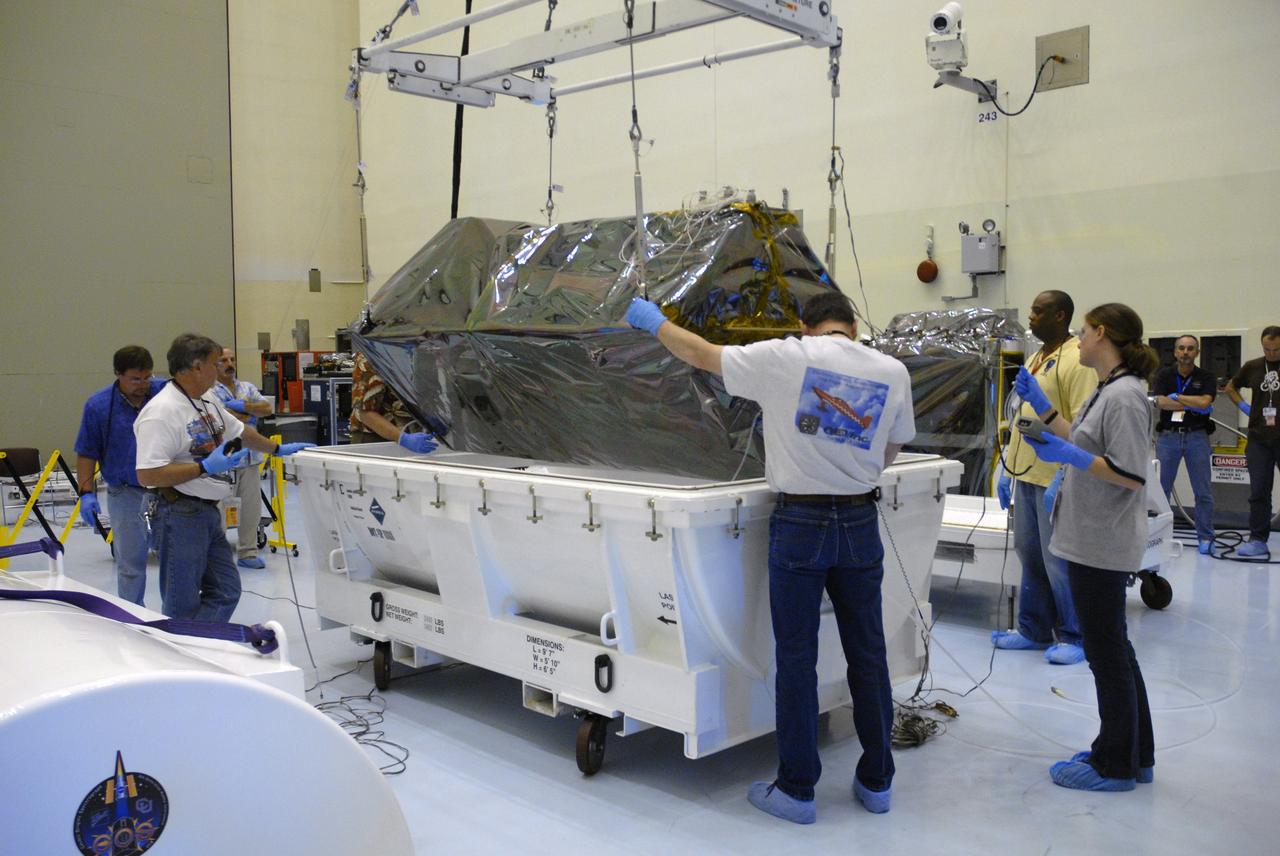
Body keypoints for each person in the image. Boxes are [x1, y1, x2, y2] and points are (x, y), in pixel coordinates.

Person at [627, 291, 916, 824]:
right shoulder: (892, 371)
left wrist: (654, 322)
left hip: (801, 524)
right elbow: (890, 450)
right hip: (859, 521)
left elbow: (701, 354)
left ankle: (797, 791)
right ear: (851, 325)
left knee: (798, 658)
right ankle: (878, 783)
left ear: (807, 326)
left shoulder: (786, 356)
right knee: (868, 654)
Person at [1018, 303, 1158, 792]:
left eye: (1084, 331)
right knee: (1116, 648)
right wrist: (1045, 409)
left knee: (1105, 653)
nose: (1078, 339)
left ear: (1102, 334)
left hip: (1103, 540)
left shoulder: (1124, 397)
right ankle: (1136, 753)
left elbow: (1131, 474)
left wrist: (1073, 457)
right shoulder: (1108, 389)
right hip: (1090, 536)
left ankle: (1114, 763)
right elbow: (1080, 438)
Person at [134, 334, 313, 621]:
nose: (220, 369)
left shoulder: (205, 400)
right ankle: (185, 652)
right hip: (178, 512)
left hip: (206, 511)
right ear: (196, 367)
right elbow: (147, 474)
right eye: (214, 363)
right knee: (182, 599)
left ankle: (198, 640)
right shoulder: (161, 412)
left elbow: (240, 432)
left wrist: (277, 449)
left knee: (226, 590)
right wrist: (204, 468)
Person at [995, 291, 1096, 665]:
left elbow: (1083, 429)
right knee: (1030, 554)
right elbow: (1024, 416)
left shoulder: (1076, 360)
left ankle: (1074, 635)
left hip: (1056, 475)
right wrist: (1006, 466)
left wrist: (1064, 475)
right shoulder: (1039, 357)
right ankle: (1033, 630)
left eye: (1038, 311)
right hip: (1026, 474)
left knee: (1058, 560)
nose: (1031, 316)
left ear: (1060, 315)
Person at [73, 346, 167, 606]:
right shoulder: (99, 406)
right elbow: (86, 453)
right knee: (130, 565)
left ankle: (176, 620)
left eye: (147, 377)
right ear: (118, 374)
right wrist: (87, 493)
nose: (143, 384)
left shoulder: (164, 394)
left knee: (173, 563)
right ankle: (132, 620)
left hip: (167, 491)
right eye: (135, 379)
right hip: (125, 492)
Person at [1150, 335, 1217, 554]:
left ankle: (1206, 537)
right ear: (1175, 352)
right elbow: (1160, 402)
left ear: (1197, 352)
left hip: (1196, 437)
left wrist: (1178, 396)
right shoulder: (1164, 375)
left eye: (1190, 348)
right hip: (1168, 437)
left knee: (1203, 491)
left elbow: (1205, 402)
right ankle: (1159, 539)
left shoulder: (1206, 376)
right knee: (1161, 490)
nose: (1185, 352)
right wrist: (1193, 402)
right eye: (1181, 348)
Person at [212, 347, 273, 570]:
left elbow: (267, 409)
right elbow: (222, 417)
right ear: (214, 365)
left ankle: (248, 552)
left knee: (251, 510)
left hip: (250, 459)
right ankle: (218, 558)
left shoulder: (246, 387)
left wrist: (245, 407)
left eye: (232, 359)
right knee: (219, 511)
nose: (229, 363)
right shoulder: (210, 392)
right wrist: (249, 415)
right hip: (223, 462)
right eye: (223, 360)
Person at [1224, 326, 1280, 558]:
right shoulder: (1254, 366)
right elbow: (1231, 387)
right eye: (1267, 349)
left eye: (1277, 349)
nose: (1272, 354)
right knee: (1259, 491)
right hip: (1258, 438)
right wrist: (1243, 406)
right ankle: (1257, 539)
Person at [349, 351, 437, 453]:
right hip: (375, 439)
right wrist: (402, 438)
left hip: (417, 437)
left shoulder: (424, 352)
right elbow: (365, 413)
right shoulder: (372, 354)